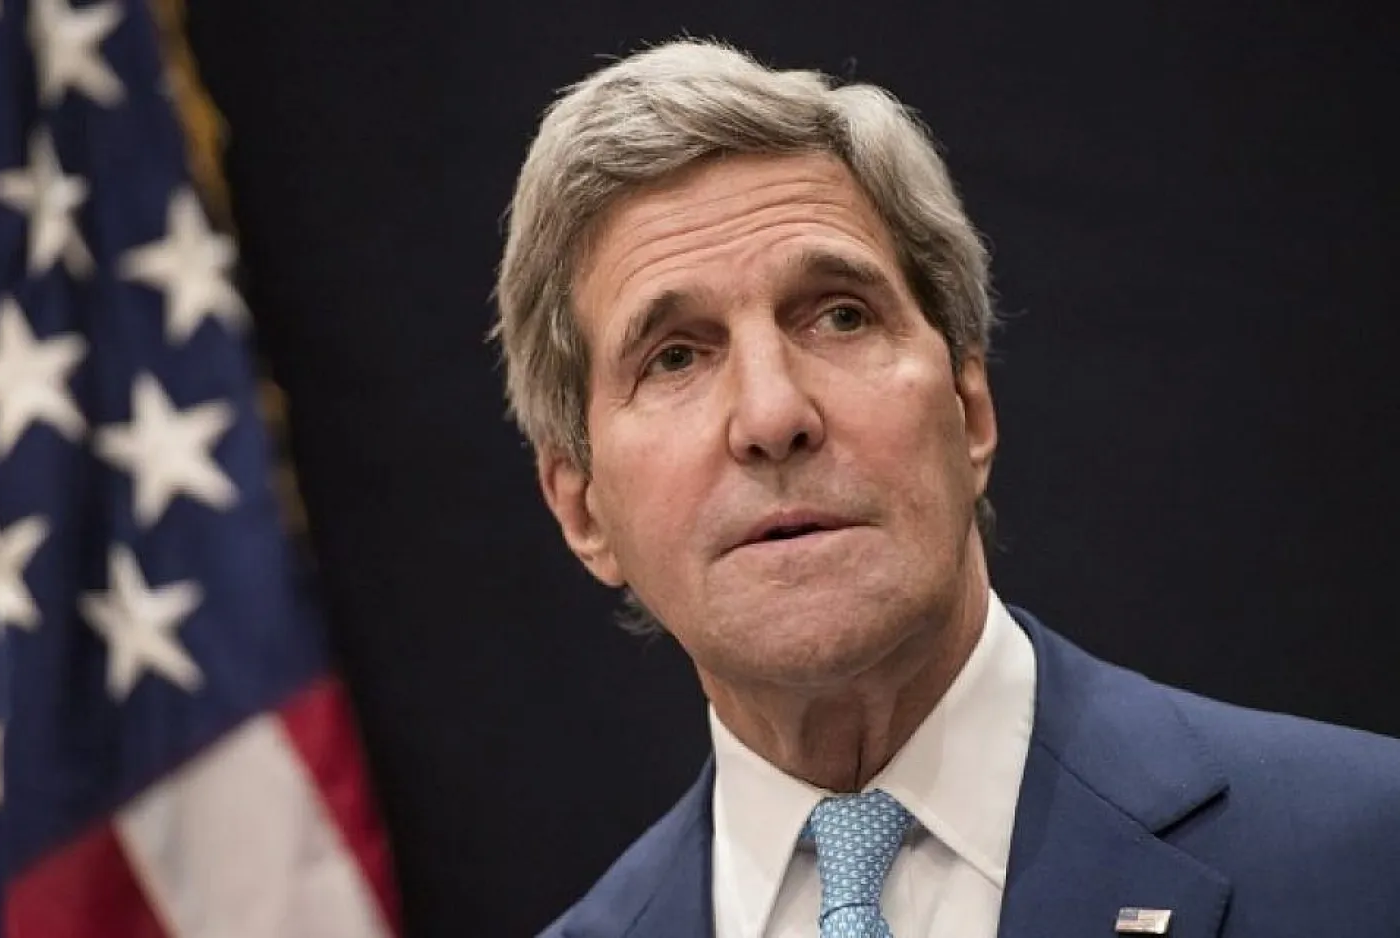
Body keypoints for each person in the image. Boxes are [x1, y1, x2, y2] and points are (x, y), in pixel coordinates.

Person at [489, 38, 1400, 938]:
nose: (771, 416)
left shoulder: (1367, 853)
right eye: (675, 356)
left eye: (839, 315)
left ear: (970, 409)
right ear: (582, 508)